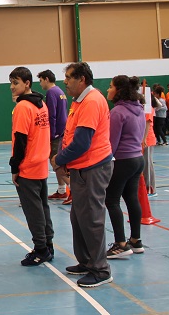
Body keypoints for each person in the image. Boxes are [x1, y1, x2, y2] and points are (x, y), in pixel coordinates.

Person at [52, 62, 113, 288]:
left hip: (93, 168)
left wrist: (59, 160)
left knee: (91, 219)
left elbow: (82, 142)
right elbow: (69, 135)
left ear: (82, 80)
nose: (65, 82)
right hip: (81, 168)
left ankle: (101, 269)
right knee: (78, 218)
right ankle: (87, 262)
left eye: (69, 78)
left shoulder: (92, 101)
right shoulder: (79, 102)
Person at [9, 67, 53, 266]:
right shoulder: (41, 104)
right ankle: (47, 245)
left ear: (27, 83)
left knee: (33, 211)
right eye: (11, 83)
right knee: (43, 208)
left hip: (28, 167)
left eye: (16, 83)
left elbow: (20, 140)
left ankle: (41, 249)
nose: (12, 87)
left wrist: (15, 167)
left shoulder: (23, 107)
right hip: (41, 164)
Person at [104, 75, 146, 259]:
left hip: (123, 161)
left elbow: (111, 144)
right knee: (131, 199)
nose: (108, 90)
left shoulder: (118, 112)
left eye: (110, 86)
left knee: (111, 200)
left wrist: (103, 162)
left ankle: (120, 244)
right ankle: (136, 240)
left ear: (119, 90)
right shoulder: (139, 109)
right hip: (138, 159)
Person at [38, 70, 70, 204]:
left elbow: (51, 115)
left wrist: (50, 135)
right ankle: (62, 191)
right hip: (63, 131)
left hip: (56, 133)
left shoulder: (51, 92)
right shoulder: (60, 91)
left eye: (40, 81)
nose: (40, 84)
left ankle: (72, 189)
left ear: (46, 79)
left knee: (56, 162)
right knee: (57, 162)